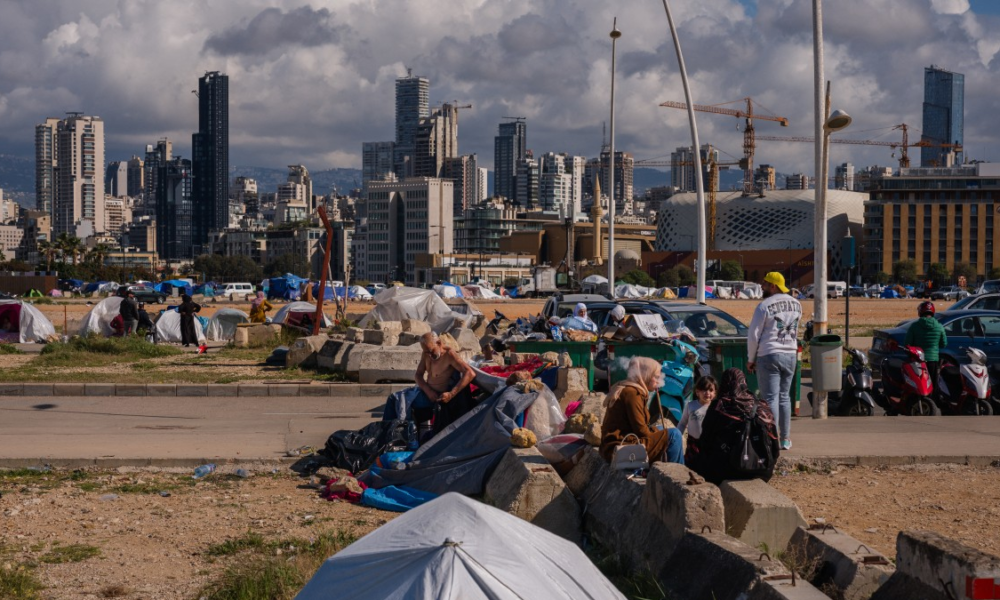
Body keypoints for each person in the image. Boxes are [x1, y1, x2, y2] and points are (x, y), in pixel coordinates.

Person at [692, 368, 779, 484]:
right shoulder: (762, 406)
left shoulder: (720, 406)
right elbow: (775, 446)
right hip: (762, 470)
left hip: (727, 471)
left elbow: (705, 441)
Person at [747, 272, 801, 450]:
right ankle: (785, 439)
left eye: (765, 283)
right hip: (790, 353)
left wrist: (751, 358)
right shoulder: (797, 304)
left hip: (769, 353)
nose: (762, 287)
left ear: (773, 286)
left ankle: (772, 439)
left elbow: (754, 334)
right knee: (784, 397)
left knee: (770, 399)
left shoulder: (764, 306)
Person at [599, 356, 684, 466]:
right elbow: (641, 431)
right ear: (645, 375)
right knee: (674, 435)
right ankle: (674, 472)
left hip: (616, 444)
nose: (659, 381)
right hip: (620, 448)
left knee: (662, 429)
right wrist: (660, 437)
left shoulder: (628, 387)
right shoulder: (633, 394)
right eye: (656, 377)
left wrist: (658, 433)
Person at [414, 332, 477, 436]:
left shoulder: (449, 354)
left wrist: (451, 394)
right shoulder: (426, 354)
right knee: (396, 400)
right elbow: (418, 375)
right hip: (427, 393)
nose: (429, 355)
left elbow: (470, 373)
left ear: (439, 343)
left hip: (440, 397)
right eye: (426, 352)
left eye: (431, 351)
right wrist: (428, 391)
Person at [904, 301, 947, 397]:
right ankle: (933, 401)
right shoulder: (939, 327)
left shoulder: (914, 326)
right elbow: (944, 344)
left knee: (919, 385)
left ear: (920, 312)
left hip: (918, 360)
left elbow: (907, 343)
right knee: (932, 384)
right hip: (933, 360)